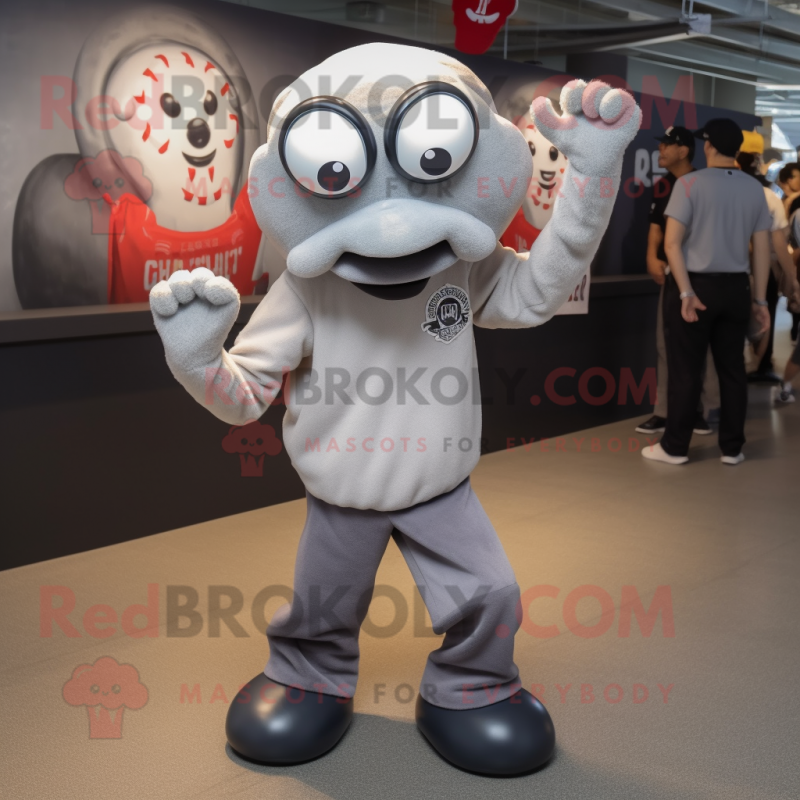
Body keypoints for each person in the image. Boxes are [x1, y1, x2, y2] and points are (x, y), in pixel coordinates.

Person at [643, 118, 772, 466]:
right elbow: (761, 250)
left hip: (695, 285)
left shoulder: (689, 184)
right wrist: (759, 299)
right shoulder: (754, 190)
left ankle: (675, 447)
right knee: (732, 369)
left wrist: (685, 292)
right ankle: (732, 448)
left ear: (710, 146)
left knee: (685, 369)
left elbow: (671, 245)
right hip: (736, 288)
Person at [636, 125, 717, 436]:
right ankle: (664, 412)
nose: (662, 150)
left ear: (684, 150)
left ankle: (702, 410)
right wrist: (651, 256)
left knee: (702, 346)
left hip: (701, 275)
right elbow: (656, 227)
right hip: (672, 277)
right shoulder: (663, 185)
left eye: (668, 145)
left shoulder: (703, 183)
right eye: (661, 146)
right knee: (665, 343)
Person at [738, 143, 800, 378]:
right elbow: (777, 244)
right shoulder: (768, 196)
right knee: (764, 318)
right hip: (762, 272)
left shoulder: (714, 191)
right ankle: (760, 366)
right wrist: (792, 278)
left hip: (729, 273)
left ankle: (740, 368)